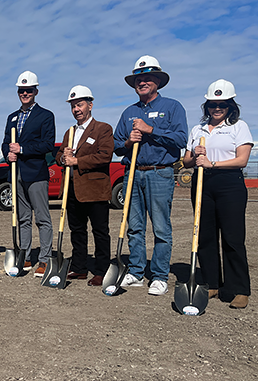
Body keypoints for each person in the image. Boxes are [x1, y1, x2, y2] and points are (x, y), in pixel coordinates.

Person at [114, 55, 188, 296]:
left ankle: (159, 276)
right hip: (133, 173)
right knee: (134, 226)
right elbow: (116, 145)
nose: (142, 82)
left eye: (147, 78)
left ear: (158, 80)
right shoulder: (128, 112)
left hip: (160, 173)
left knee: (160, 228)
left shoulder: (172, 107)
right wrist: (128, 141)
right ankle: (136, 271)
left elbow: (180, 139)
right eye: (139, 79)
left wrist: (150, 130)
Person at [183, 79, 252, 309]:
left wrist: (212, 162)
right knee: (205, 236)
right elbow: (187, 161)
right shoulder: (197, 129)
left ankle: (238, 289)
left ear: (231, 105)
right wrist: (195, 155)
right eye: (213, 104)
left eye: (222, 104)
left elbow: (242, 160)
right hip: (203, 184)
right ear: (207, 106)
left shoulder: (238, 126)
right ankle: (212, 282)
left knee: (232, 238)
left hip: (229, 184)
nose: (217, 108)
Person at [55, 86, 113, 287]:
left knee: (100, 231)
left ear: (90, 105)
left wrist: (76, 161)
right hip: (73, 190)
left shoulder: (102, 129)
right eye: (73, 106)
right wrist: (63, 157)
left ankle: (101, 270)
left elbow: (105, 156)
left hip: (95, 191)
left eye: (79, 105)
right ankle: (79, 267)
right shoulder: (70, 132)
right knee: (77, 231)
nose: (76, 109)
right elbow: (59, 155)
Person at [1, 71, 55, 277]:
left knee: (42, 218)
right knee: (23, 217)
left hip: (36, 173)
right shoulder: (12, 117)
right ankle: (25, 255)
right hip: (17, 174)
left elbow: (47, 144)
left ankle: (44, 258)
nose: (25, 93)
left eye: (29, 90)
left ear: (35, 91)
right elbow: (6, 142)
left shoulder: (45, 116)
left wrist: (21, 150)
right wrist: (8, 153)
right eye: (21, 90)